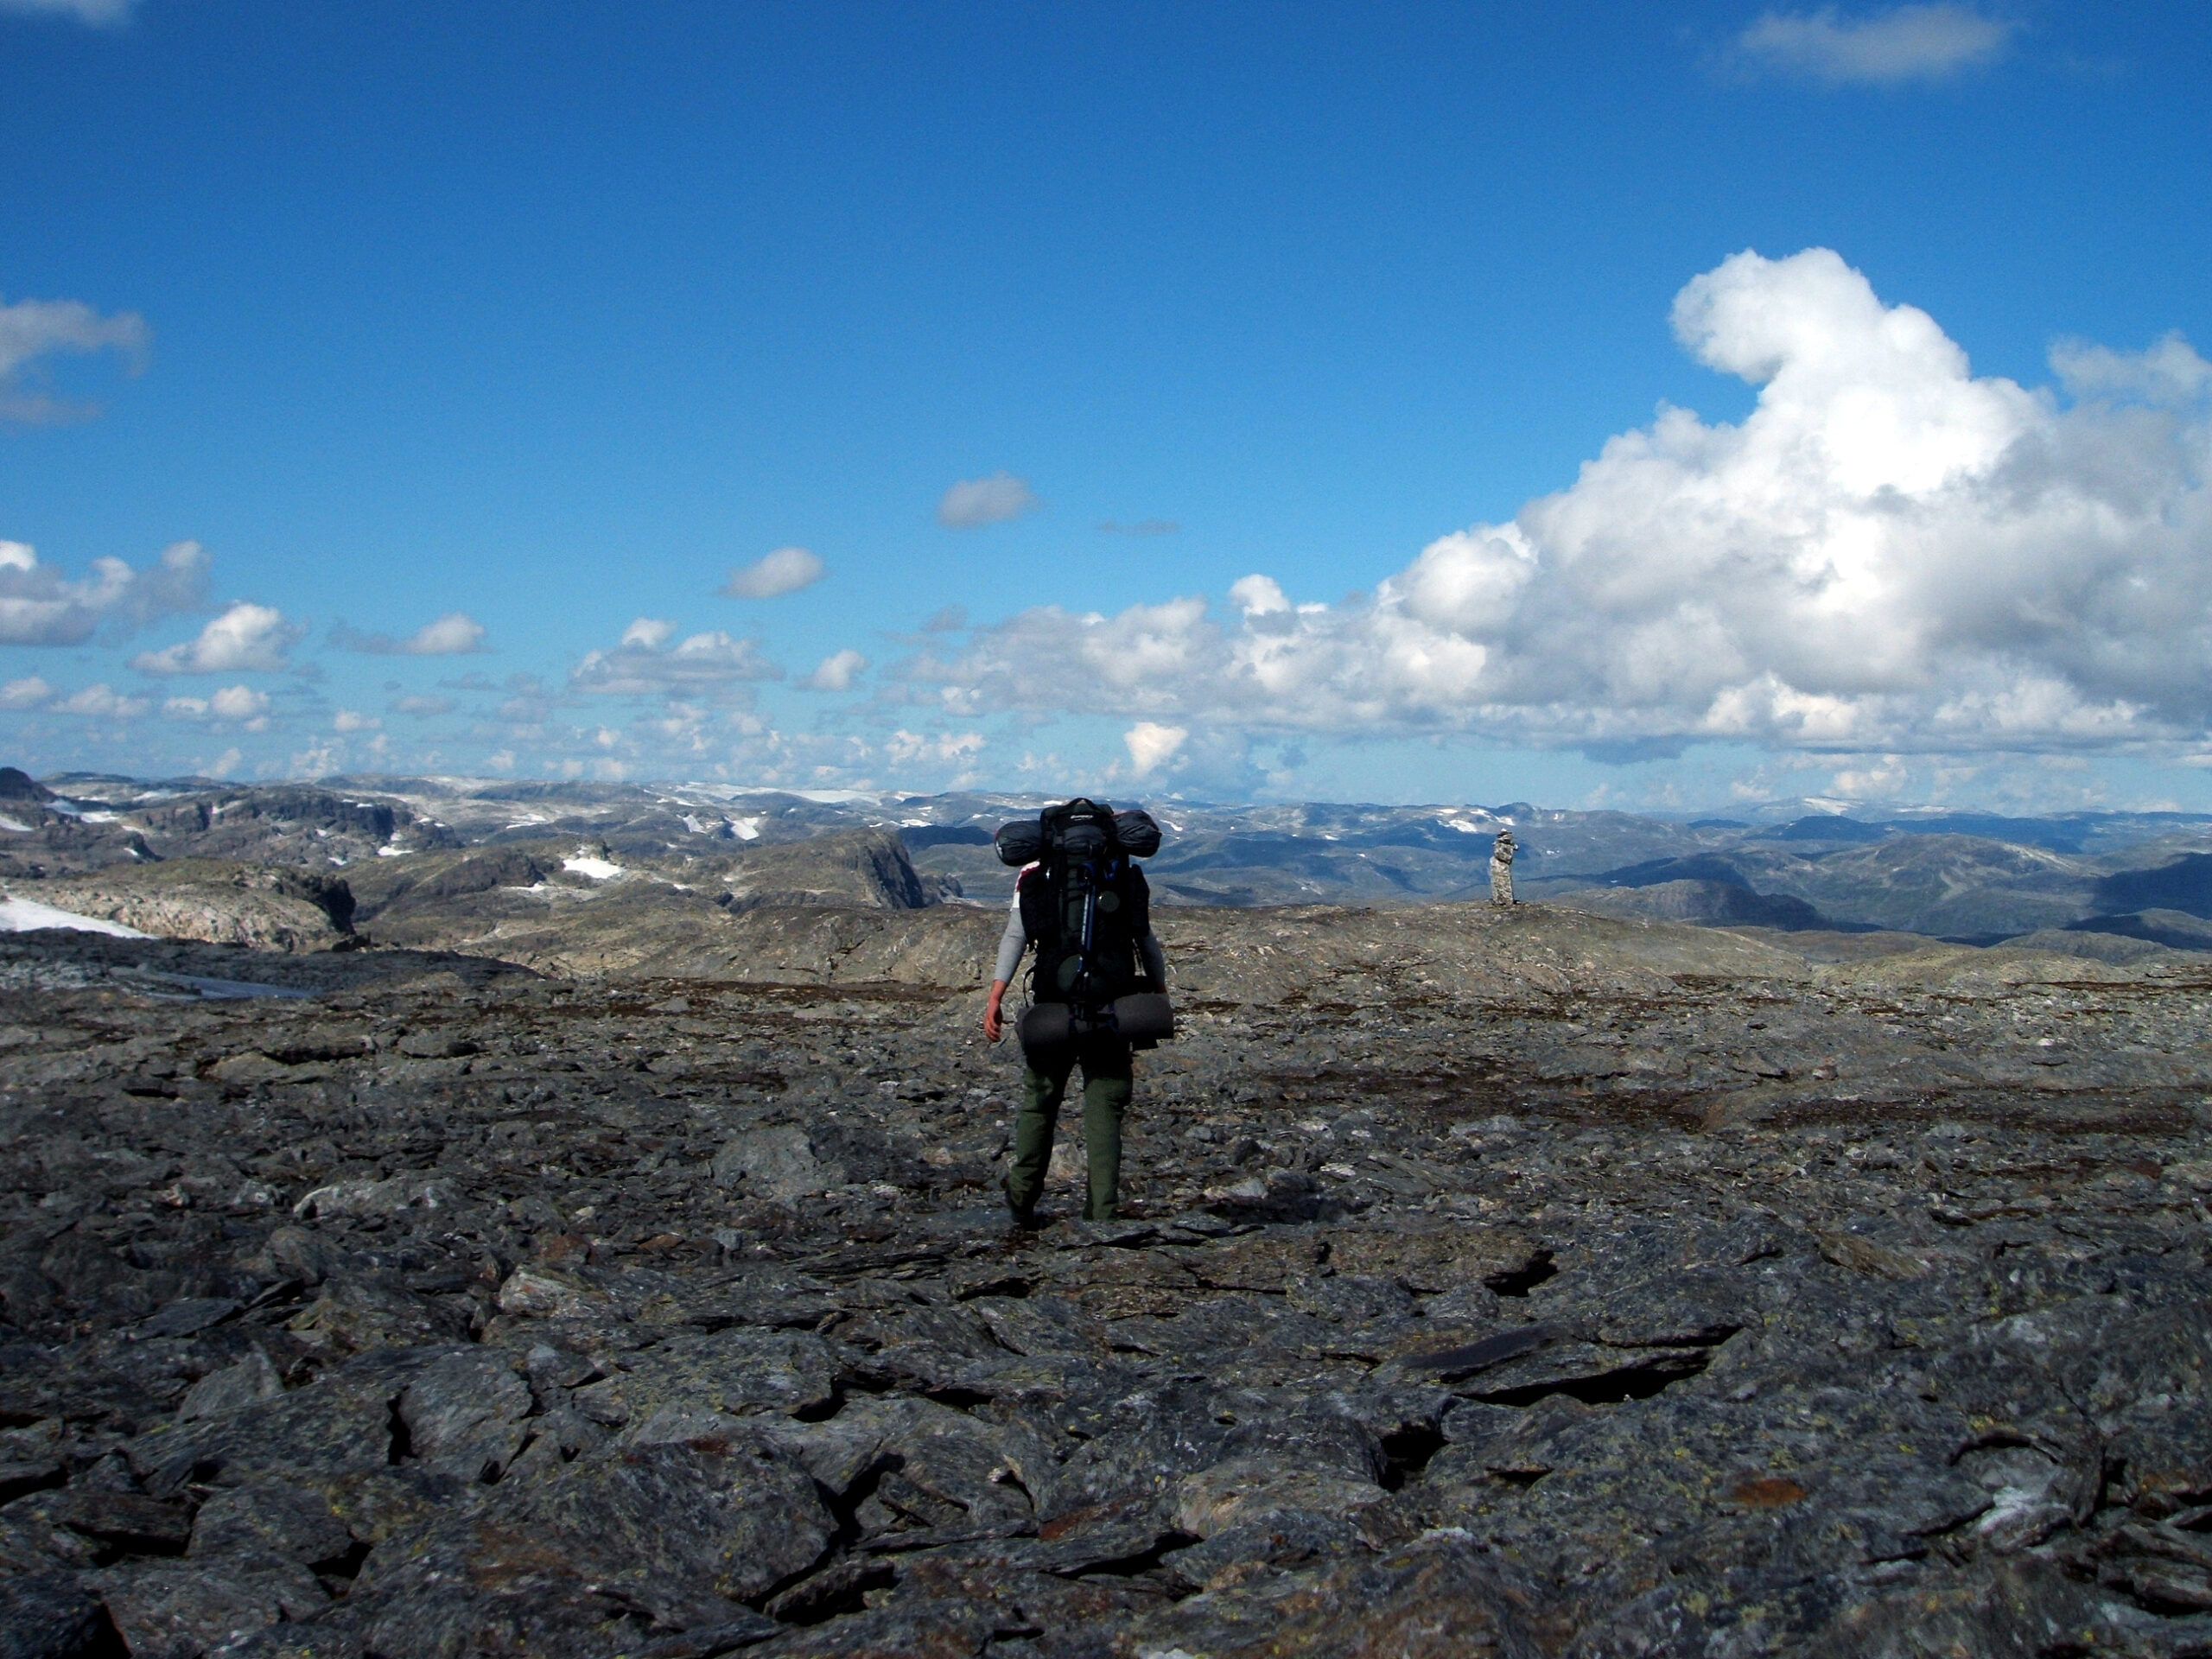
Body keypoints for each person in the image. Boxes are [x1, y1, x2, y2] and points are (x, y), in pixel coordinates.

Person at [982, 853, 1168, 1227]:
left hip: (1053, 1011)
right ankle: (1103, 1213)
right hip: (1111, 1012)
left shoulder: (1037, 869)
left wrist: (996, 996)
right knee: (1105, 1109)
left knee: (1040, 1102)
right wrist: (1159, 991)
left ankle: (1021, 1198)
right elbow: (1144, 935)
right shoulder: (1117, 869)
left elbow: (1016, 934)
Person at [1491, 828, 1516, 906]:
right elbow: (1499, 854)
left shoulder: (1508, 845)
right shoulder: (1499, 844)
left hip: (1502, 866)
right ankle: (1501, 899)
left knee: (1504, 882)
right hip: (1499, 865)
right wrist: (1507, 859)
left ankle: (1505, 899)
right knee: (1500, 882)